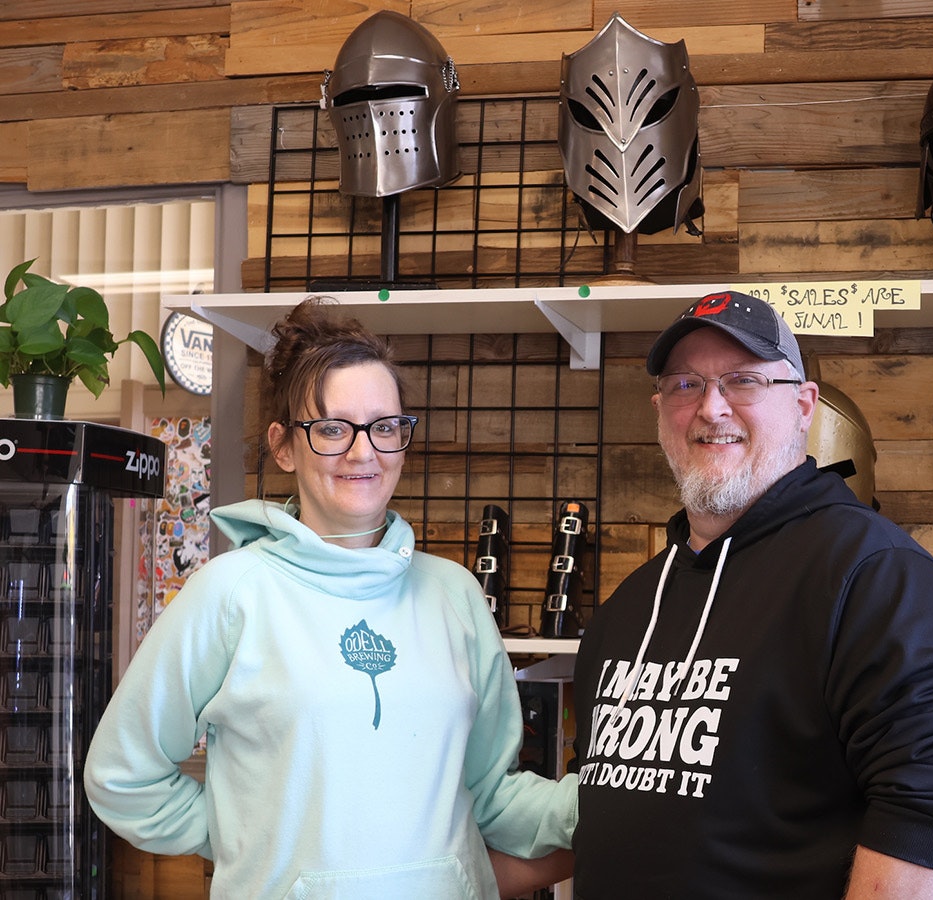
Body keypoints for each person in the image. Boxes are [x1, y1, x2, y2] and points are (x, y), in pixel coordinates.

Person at [84, 298, 577, 899]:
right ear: (284, 445)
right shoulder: (232, 591)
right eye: (332, 429)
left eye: (384, 426)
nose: (363, 452)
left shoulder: (456, 594)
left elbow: (492, 795)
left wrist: (609, 804)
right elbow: (123, 776)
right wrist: (245, 836)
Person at [570, 290, 933, 898]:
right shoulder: (628, 609)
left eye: (743, 381)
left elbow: (929, 803)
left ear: (803, 405)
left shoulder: (877, 575)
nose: (712, 408)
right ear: (659, 408)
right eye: (685, 385)